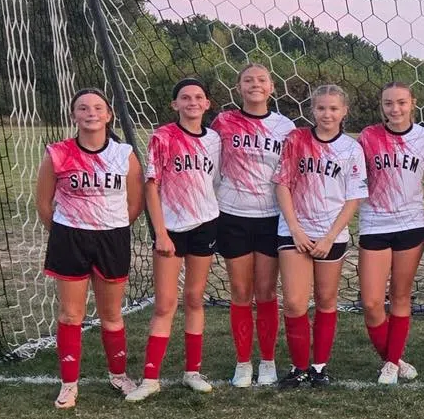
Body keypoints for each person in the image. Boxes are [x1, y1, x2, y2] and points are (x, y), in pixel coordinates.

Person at [35, 88, 143, 408]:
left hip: (112, 238)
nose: (91, 113)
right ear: (74, 115)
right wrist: (67, 230)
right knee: (71, 314)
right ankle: (69, 384)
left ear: (108, 115)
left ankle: (119, 376)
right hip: (70, 238)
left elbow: (134, 204)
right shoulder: (57, 153)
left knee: (112, 314)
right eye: (83, 108)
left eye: (97, 107)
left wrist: (109, 224)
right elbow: (44, 204)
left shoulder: (124, 154)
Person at [128, 78, 221, 401]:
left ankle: (192, 372)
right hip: (171, 229)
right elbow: (151, 185)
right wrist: (161, 233)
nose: (192, 102)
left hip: (205, 225)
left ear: (207, 104)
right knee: (165, 303)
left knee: (194, 298)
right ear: (175, 104)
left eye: (198, 97)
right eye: (185, 97)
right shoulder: (164, 136)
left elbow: (214, 180)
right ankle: (150, 378)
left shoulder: (214, 140)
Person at [272, 84, 367, 389]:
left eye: (334, 108)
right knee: (294, 303)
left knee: (326, 300)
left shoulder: (351, 149)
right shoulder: (296, 139)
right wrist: (295, 228)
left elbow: (353, 198)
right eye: (321, 108)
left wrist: (329, 237)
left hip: (331, 235)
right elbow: (282, 184)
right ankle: (299, 366)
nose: (327, 114)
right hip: (295, 232)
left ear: (344, 111)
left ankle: (319, 366)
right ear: (312, 110)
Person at [211, 63, 294, 388]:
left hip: (271, 217)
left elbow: (289, 174)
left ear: (271, 87)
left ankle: (268, 361)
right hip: (232, 215)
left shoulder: (284, 126)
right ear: (239, 87)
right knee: (241, 291)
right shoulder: (223, 122)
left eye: (261, 80)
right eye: (248, 80)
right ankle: (243, 362)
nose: (255, 84)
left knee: (267, 291)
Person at [358, 81, 424, 385]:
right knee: (371, 303)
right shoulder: (368, 136)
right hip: (375, 223)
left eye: (401, 102)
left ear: (413, 103)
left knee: (401, 295)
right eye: (388, 103)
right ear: (382, 106)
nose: (395, 109)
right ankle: (394, 360)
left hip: (410, 224)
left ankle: (390, 364)